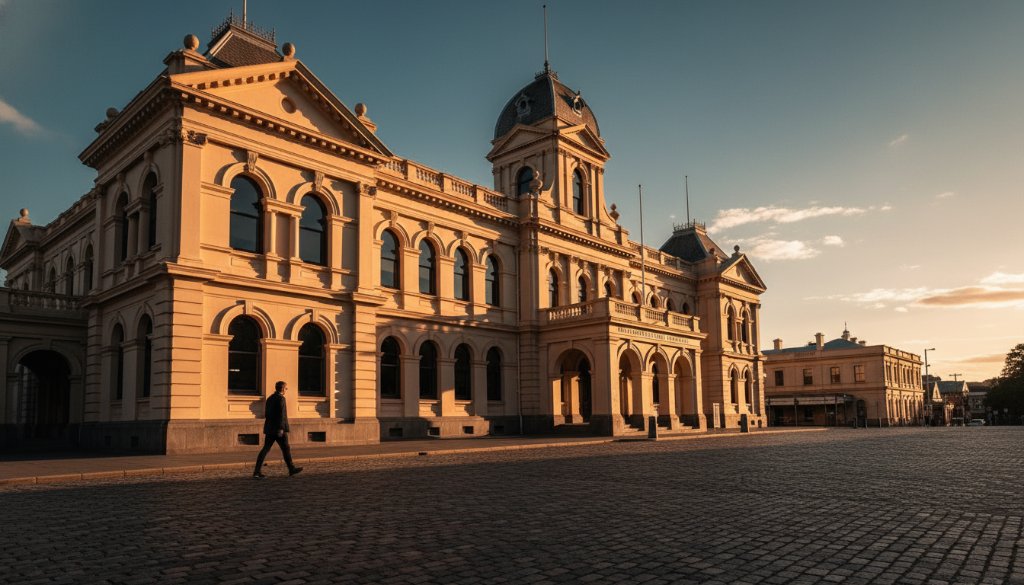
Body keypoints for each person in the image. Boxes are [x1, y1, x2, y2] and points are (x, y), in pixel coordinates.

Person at [253, 381, 303, 479]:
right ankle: (291, 469)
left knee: (265, 449)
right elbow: (282, 415)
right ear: (282, 389)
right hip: (279, 429)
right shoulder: (281, 399)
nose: (286, 390)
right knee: (286, 449)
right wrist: (281, 428)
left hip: (270, 428)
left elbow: (267, 414)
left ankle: (256, 471)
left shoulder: (270, 398)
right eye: (286, 388)